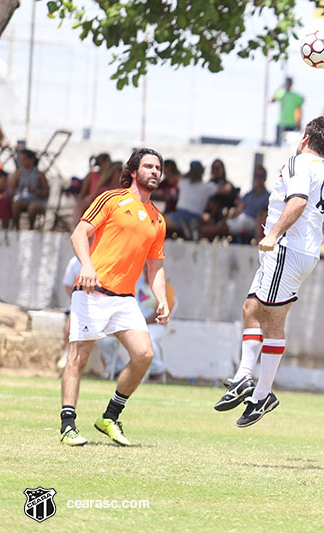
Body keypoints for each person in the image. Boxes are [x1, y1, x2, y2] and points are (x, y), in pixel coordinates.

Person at [213, 116, 324, 428]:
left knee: (272, 320)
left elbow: (297, 201)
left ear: (305, 140)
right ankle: (244, 376)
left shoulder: (300, 161)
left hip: (285, 249)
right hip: (298, 252)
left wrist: (273, 234)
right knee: (252, 307)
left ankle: (262, 394)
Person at [59, 148, 169, 447]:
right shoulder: (112, 198)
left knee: (144, 354)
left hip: (124, 300)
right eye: (148, 166)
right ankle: (68, 425)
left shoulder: (158, 221)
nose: (155, 171)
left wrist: (162, 298)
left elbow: (156, 266)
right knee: (78, 359)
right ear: (134, 171)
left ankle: (110, 416)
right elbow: (79, 234)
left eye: (158, 167)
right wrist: (87, 265)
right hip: (92, 292)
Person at [200, 165, 270, 242]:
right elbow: (238, 210)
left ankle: (202, 232)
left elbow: (265, 215)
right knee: (224, 224)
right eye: (256, 175)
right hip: (241, 220)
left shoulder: (268, 196)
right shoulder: (248, 195)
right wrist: (228, 219)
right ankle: (205, 232)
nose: (258, 178)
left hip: (254, 223)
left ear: (265, 178)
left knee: (235, 223)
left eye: (261, 176)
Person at [163, 160, 217, 240]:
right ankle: (189, 228)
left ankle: (184, 227)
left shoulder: (183, 181)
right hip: (196, 216)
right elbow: (224, 190)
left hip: (181, 214)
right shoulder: (208, 187)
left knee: (159, 220)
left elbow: (177, 176)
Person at [10, 149, 49, 230]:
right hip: (23, 198)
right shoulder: (19, 173)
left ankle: (31, 228)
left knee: (32, 207)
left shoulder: (39, 174)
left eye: (24, 159)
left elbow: (46, 192)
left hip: (37, 199)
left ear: (31, 160)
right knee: (16, 205)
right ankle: (17, 227)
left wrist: (36, 191)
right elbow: (12, 187)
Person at [74, 153, 111, 227]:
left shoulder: (109, 176)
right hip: (92, 199)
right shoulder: (92, 175)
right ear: (102, 163)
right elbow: (83, 192)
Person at [272, 78, 305, 146]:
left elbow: (299, 110)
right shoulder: (281, 93)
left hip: (292, 123)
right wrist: (280, 87)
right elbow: (272, 100)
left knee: (291, 144)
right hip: (281, 122)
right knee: (278, 144)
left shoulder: (296, 96)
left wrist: (299, 123)